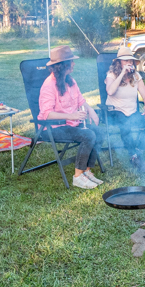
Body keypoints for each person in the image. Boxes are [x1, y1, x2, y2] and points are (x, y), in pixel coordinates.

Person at [38, 46, 105, 190]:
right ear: (62, 65)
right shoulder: (49, 85)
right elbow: (47, 114)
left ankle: (86, 171)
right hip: (53, 127)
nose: (74, 64)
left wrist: (91, 111)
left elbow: (81, 101)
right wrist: (72, 115)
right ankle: (78, 177)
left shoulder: (70, 81)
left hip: (71, 124)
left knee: (98, 133)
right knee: (88, 135)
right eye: (71, 61)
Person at [105, 47, 145, 173]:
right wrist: (122, 73)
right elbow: (110, 91)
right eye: (125, 61)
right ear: (119, 63)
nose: (129, 63)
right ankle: (134, 157)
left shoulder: (136, 76)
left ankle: (138, 151)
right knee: (125, 125)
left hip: (132, 112)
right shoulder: (111, 75)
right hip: (115, 111)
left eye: (130, 60)